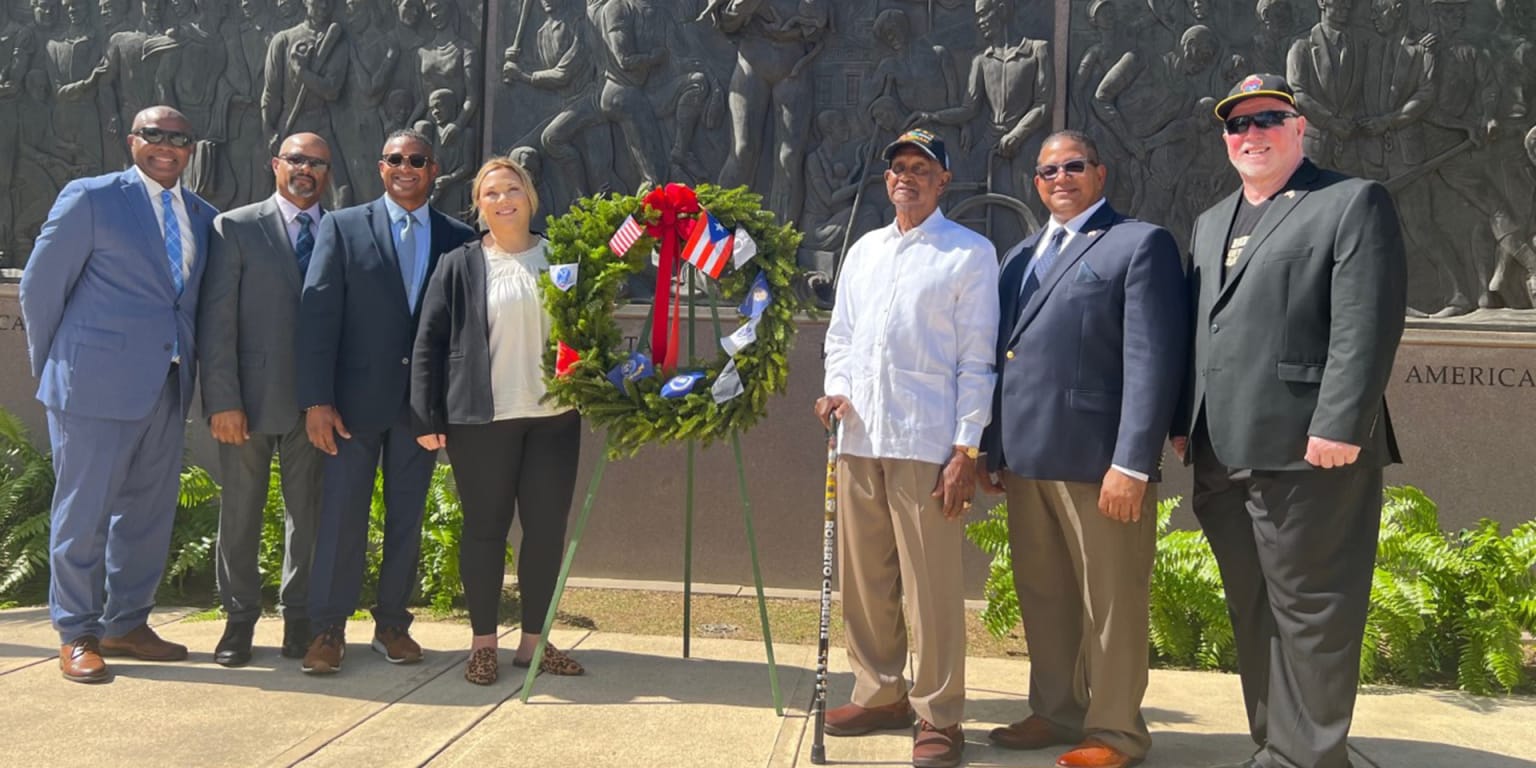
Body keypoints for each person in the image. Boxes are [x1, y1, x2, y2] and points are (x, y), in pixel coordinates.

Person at [1175, 74, 1406, 768]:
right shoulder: (1211, 221)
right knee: (1254, 609)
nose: (1252, 135)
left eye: (1268, 120)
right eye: (1238, 125)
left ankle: (1309, 757)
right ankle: (1276, 744)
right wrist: (1186, 420)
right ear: (1225, 139)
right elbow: (1202, 331)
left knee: (1312, 614)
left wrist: (1341, 423)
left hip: (1309, 450)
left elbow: (1365, 324)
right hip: (1223, 452)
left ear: (1299, 128)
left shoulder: (1348, 202)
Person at [980, 130, 1188, 768]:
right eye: (1047, 172)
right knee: (1045, 595)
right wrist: (994, 450)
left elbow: (1152, 360)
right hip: (1026, 458)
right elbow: (1004, 358)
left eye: (1074, 166)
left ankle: (1116, 731)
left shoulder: (1137, 243)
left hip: (1101, 465)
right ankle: (1055, 710)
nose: (1060, 178)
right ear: (1035, 184)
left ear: (1101, 173)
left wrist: (1132, 460)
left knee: (1111, 602)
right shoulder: (1019, 256)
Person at [815, 128, 999, 768]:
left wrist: (965, 450)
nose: (907, 177)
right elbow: (840, 338)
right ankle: (881, 691)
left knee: (932, 586)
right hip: (860, 436)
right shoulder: (864, 250)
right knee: (864, 582)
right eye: (898, 167)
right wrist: (835, 390)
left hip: (927, 442)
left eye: (921, 168)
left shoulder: (968, 254)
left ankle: (941, 714)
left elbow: (979, 361)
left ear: (944, 180)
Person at [20, 106, 217, 683]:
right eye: (153, 135)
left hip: (167, 384)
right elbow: (39, 287)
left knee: (147, 516)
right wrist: (57, 370)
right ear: (133, 140)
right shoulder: (91, 197)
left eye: (178, 139)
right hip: (91, 387)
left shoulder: (203, 216)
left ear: (190, 149)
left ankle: (125, 623)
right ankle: (76, 631)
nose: (166, 146)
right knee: (83, 512)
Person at [296, 129, 476, 674]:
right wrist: (316, 400)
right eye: (395, 159)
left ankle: (393, 624)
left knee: (407, 518)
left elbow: (463, 330)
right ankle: (328, 629)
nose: (405, 167)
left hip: (420, 410)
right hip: (350, 408)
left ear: (433, 169)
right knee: (341, 519)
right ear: (380, 167)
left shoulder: (458, 238)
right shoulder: (343, 226)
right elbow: (318, 316)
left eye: (416, 160)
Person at [411, 156, 584, 685]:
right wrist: (426, 413)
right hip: (481, 420)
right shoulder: (459, 263)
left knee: (546, 532)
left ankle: (533, 642)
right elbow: (429, 342)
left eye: (512, 189)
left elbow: (589, 328)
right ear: (478, 206)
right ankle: (483, 643)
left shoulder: (564, 257)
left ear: (530, 197)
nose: (502, 199)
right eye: (490, 193)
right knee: (485, 532)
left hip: (554, 418)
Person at [196, 133, 333, 667]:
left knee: (309, 515)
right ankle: (238, 621)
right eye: (296, 159)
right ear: (275, 164)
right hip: (246, 405)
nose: (305, 170)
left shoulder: (340, 229)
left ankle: (297, 618)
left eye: (317, 163)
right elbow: (217, 320)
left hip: (315, 405)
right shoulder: (235, 226)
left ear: (327, 172)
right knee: (240, 513)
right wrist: (222, 399)